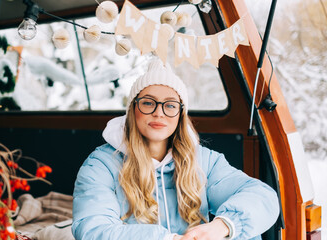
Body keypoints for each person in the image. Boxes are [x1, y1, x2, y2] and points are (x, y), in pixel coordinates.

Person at [72, 59, 280, 240]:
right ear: (132, 110)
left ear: (181, 115)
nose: (159, 113)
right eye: (148, 103)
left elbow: (261, 196)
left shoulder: (205, 161)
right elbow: (93, 229)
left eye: (170, 105)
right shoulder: (102, 164)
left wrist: (222, 226)